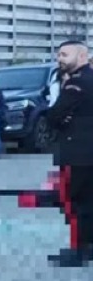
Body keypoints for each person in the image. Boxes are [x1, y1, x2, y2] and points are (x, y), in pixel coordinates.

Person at [45, 40, 93, 266]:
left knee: (76, 201)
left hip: (78, 151)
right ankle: (88, 247)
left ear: (82, 56)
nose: (60, 59)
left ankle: (79, 251)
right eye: (59, 55)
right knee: (89, 200)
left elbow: (54, 115)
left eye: (65, 54)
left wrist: (61, 119)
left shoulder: (77, 83)